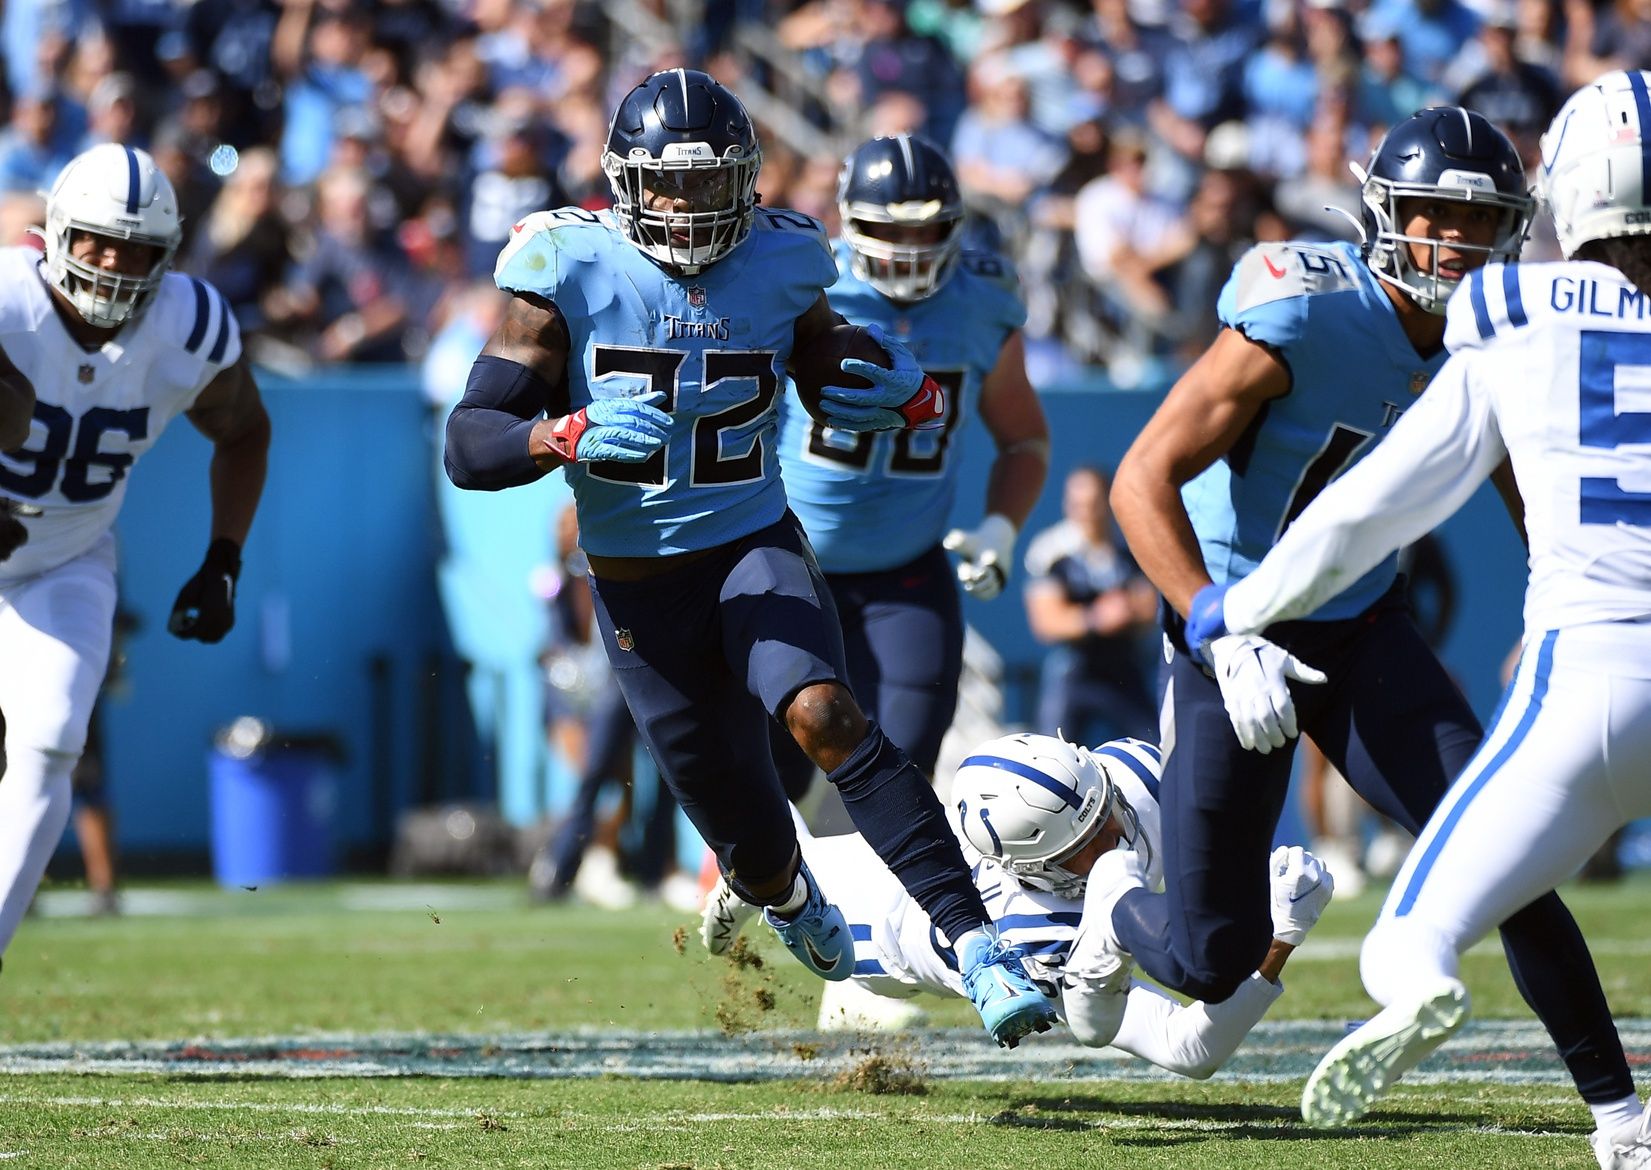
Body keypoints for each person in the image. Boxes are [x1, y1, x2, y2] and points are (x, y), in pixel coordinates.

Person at [442, 69, 1056, 1048]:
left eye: (709, 182)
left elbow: (818, 353)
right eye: (668, 185)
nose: (688, 207)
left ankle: (978, 946)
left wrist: (881, 383)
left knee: (827, 714)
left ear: (746, 180)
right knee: (754, 845)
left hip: (748, 544)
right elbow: (470, 441)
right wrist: (561, 436)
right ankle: (779, 888)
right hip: (640, 590)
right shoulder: (564, 265)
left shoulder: (783, 257)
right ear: (624, 183)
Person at [1100, 105, 1641, 1142]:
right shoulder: (1306, 314)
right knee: (1210, 959)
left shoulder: (1507, 328)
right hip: (1236, 624)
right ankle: (1108, 884)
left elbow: (1544, 502)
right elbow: (1139, 480)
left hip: (1358, 627)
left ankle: (1618, 1116)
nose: (1460, 243)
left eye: (1484, 225)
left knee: (1510, 859)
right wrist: (1216, 627)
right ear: (1385, 214)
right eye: (1438, 218)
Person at [0, 143, 270, 968]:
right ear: (56, 233)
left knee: (51, 738)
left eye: (138, 248)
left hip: (65, 555)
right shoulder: (8, 303)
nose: (116, 265)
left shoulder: (189, 325)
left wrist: (224, 557)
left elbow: (246, 430)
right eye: (96, 242)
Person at [705, 733, 1334, 1076]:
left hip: (922, 859)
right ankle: (749, 884)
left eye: (1105, 811)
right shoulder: (1037, 935)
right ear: (1032, 866)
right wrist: (1281, 938)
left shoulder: (1132, 774)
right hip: (894, 932)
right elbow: (1187, 1048)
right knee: (796, 894)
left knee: (797, 846)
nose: (1116, 837)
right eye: (1085, 845)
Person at [766, 133, 1049, 806]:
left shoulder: (983, 299)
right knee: (774, 778)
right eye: (886, 228)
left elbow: (1023, 440)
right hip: (789, 562)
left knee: (903, 773)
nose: (906, 248)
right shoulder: (802, 288)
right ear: (847, 222)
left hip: (907, 567)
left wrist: (1002, 529)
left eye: (925, 231)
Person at [1023, 465, 1159, 745]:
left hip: (1125, 664)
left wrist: (1129, 610)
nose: (1083, 512)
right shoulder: (1052, 551)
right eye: (1076, 504)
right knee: (1053, 754)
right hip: (1075, 667)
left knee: (1153, 748)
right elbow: (1047, 622)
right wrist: (1097, 618)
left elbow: (1150, 607)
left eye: (1092, 504)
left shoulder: (1128, 546)